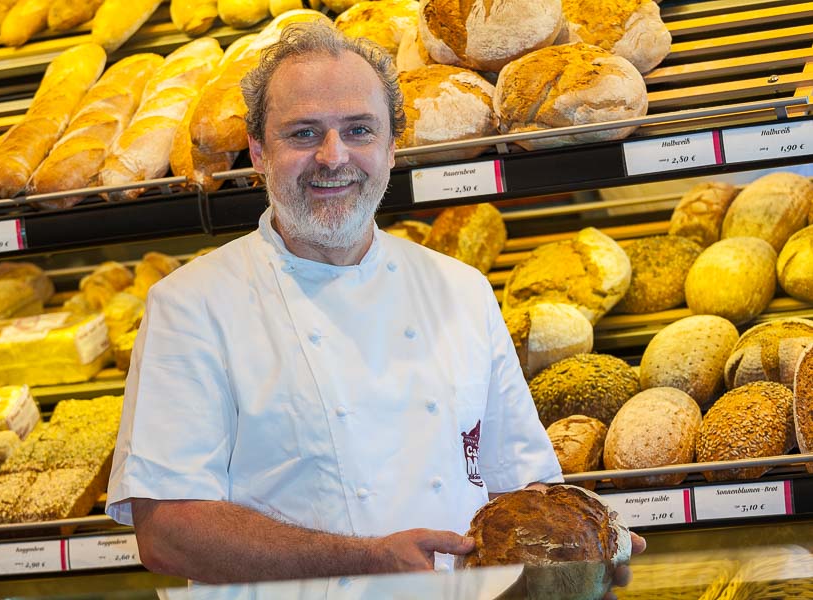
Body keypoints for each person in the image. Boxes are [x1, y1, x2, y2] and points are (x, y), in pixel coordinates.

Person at [106, 20, 645, 589]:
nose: (333, 156)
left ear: (391, 148)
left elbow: (520, 484)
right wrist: (364, 559)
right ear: (259, 151)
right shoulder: (190, 307)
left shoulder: (461, 290)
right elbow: (167, 532)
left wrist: (582, 545)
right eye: (303, 133)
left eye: (359, 130)